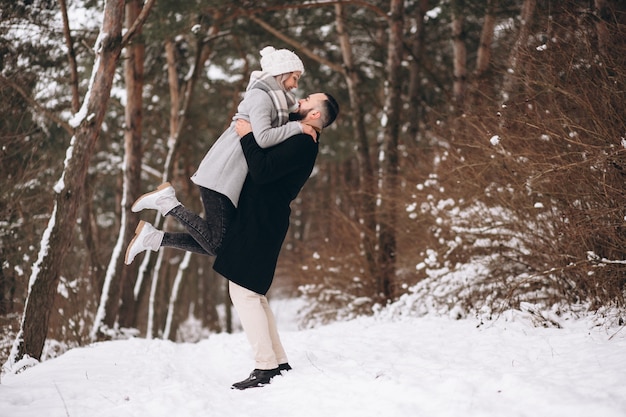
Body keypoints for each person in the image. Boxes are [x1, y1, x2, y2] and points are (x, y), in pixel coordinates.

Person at [125, 46, 315, 265]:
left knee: (221, 244)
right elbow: (263, 138)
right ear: (282, 73)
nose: (296, 85)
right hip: (222, 174)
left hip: (228, 176)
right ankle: (167, 203)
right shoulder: (262, 97)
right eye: (295, 77)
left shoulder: (275, 100)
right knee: (218, 245)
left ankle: (153, 238)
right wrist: (298, 128)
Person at [218, 92, 339, 390]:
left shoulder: (303, 142)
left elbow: (262, 171)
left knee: (244, 293)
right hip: (263, 218)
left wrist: (247, 135)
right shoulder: (301, 137)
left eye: (307, 100)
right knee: (254, 293)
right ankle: (278, 361)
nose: (300, 100)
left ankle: (265, 366)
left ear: (314, 115)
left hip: (262, 220)